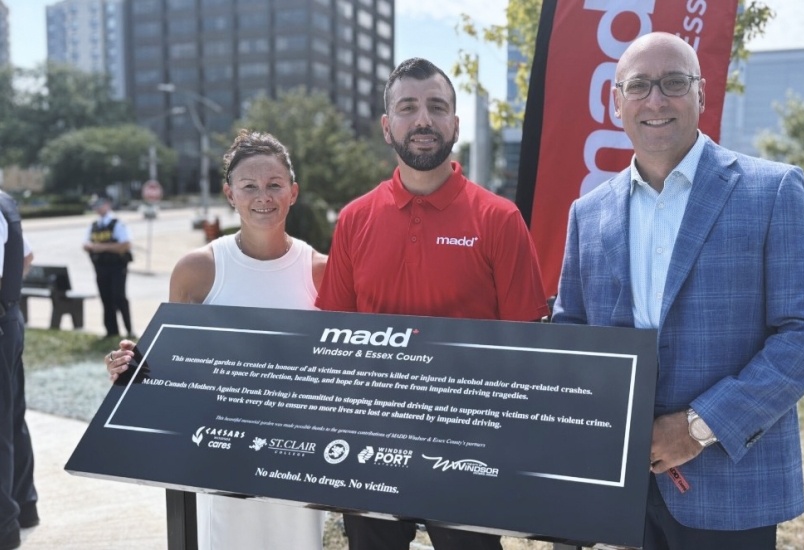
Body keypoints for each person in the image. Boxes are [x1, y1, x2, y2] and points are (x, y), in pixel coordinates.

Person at [550, 32, 804, 549]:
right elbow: (573, 332)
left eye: (674, 82)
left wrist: (699, 427)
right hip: (619, 491)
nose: (656, 100)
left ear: (701, 95)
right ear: (616, 102)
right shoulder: (587, 213)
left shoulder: (771, 190)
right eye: (638, 86)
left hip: (730, 486)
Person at [316, 58, 550, 550]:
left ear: (455, 124)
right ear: (387, 126)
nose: (423, 119)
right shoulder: (355, 220)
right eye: (408, 107)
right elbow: (331, 338)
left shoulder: (500, 219)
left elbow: (528, 347)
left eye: (436, 107)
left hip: (467, 450)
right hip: (369, 444)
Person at [106, 129, 327, 549]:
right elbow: (171, 369)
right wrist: (131, 367)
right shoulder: (198, 269)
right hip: (220, 454)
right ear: (230, 194)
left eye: (274, 184)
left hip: (298, 455)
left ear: (293, 192)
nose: (263, 195)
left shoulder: (322, 270)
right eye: (249, 186)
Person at [0, 190, 38, 550]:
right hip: (8, 317)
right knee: (11, 418)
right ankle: (24, 506)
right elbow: (25, 256)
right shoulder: (3, 201)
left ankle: (4, 525)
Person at [83, 193, 133, 338]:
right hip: (100, 267)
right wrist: (93, 247)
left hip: (117, 267)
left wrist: (101, 247)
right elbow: (86, 243)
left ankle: (129, 330)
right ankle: (111, 332)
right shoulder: (94, 225)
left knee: (119, 297)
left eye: (100, 204)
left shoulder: (118, 223)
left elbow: (124, 245)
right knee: (106, 298)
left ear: (108, 204)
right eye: (95, 205)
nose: (97, 208)